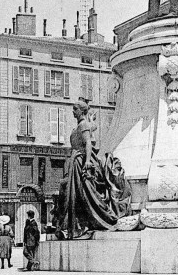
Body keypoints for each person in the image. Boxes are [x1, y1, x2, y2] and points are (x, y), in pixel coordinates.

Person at [53, 100, 132, 239]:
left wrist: (88, 161)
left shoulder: (83, 125)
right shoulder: (82, 125)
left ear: (81, 111)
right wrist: (91, 119)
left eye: (75, 109)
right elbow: (92, 127)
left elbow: (88, 143)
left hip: (80, 161)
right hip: (75, 161)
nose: (73, 111)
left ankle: (78, 224)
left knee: (80, 192)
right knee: (69, 189)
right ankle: (70, 224)